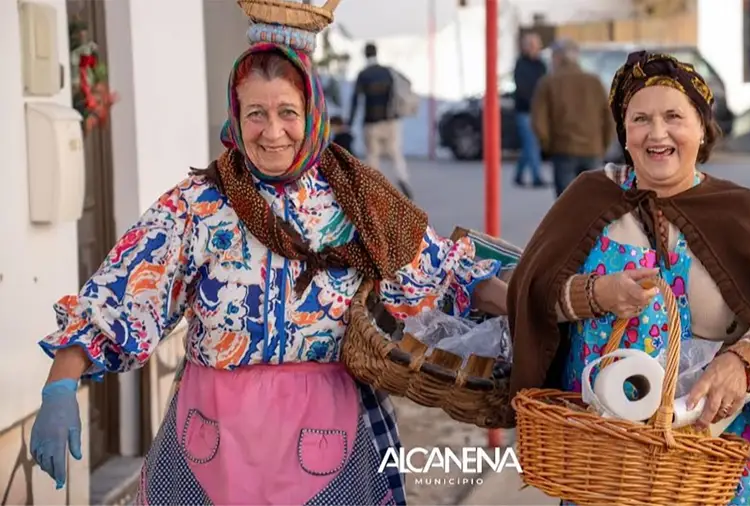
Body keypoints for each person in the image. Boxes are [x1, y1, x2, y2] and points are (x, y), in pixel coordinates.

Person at [27, 14, 507, 506]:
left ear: (312, 113)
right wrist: (60, 385)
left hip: (328, 431)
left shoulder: (361, 199)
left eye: (287, 113)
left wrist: (523, 305)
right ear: (235, 116)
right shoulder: (200, 203)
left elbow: (443, 273)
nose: (272, 132)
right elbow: (124, 289)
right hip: (213, 435)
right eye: (255, 113)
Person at [506, 51, 750, 505]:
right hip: (606, 462)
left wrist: (743, 362)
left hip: (710, 456)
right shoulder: (588, 198)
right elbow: (530, 295)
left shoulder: (743, 211)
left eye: (674, 116)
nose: (657, 133)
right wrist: (597, 294)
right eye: (640, 119)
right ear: (624, 133)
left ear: (701, 128)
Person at [531, 39, 615, 198]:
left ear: (557, 58)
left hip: (563, 149)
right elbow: (608, 118)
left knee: (566, 204)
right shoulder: (594, 82)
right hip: (592, 149)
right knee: (591, 203)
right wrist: (603, 145)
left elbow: (538, 120)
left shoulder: (548, 83)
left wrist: (548, 145)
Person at [349, 42, 413, 199]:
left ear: (365, 55)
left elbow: (356, 100)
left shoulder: (363, 75)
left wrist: (350, 122)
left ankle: (373, 188)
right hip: (391, 121)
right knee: (395, 153)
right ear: (376, 53)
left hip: (371, 122)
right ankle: (402, 178)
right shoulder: (387, 72)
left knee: (372, 155)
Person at [512, 32, 548, 188]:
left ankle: (519, 174)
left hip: (539, 110)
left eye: (536, 45)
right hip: (525, 110)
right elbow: (522, 88)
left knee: (530, 144)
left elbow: (546, 86)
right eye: (531, 45)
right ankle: (536, 177)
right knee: (531, 143)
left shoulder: (541, 64)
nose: (534, 48)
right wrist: (534, 102)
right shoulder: (521, 64)